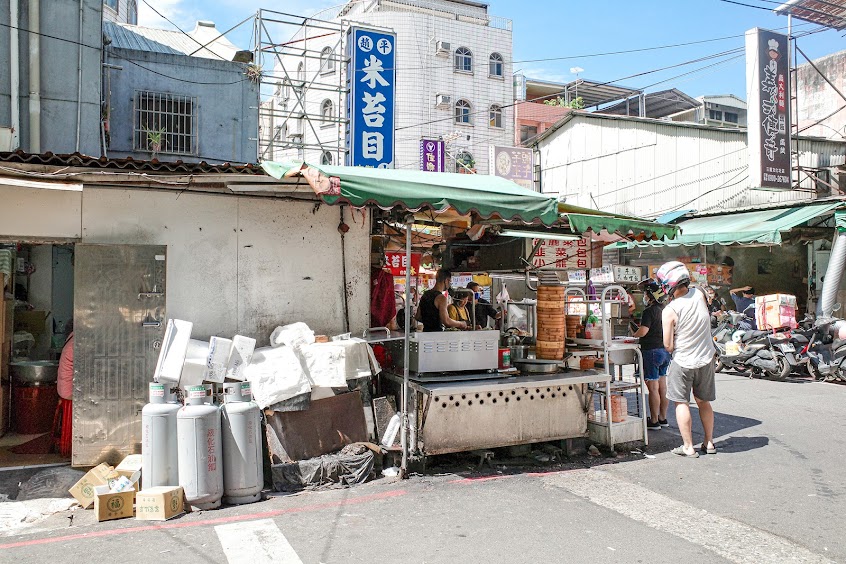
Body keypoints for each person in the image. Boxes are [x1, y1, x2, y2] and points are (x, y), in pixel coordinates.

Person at [657, 261, 717, 458]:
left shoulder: (670, 310)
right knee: (704, 402)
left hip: (683, 361)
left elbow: (667, 344)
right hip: (706, 359)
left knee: (681, 403)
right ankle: (709, 442)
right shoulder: (699, 294)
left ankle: (688, 446)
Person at [632, 280, 670, 431]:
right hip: (665, 351)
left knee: (653, 388)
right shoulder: (666, 309)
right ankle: (662, 418)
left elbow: (643, 331)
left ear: (651, 296)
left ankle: (653, 421)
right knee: (663, 387)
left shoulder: (649, 311)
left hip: (652, 351)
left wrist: (634, 335)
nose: (644, 296)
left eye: (646, 294)